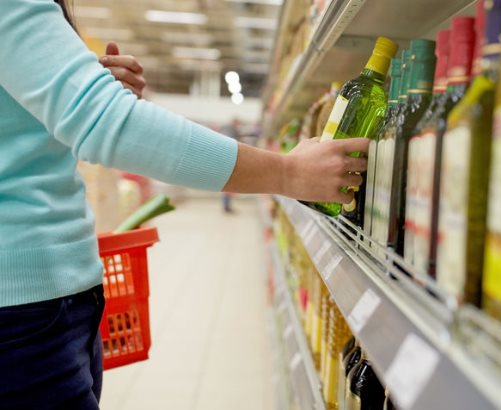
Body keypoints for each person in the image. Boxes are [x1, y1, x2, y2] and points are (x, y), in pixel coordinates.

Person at [0, 1, 367, 408]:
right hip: (23, 312)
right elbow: (107, 124)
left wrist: (78, 93)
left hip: (42, 303)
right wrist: (287, 174)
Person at [221, 118, 243, 213]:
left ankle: (227, 206)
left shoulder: (227, 130)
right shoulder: (232, 131)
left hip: (226, 161)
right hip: (229, 162)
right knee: (228, 186)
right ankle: (226, 207)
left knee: (227, 186)